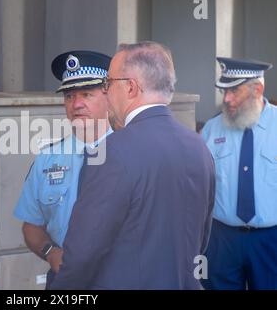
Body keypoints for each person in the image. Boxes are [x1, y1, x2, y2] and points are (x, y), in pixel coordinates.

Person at [50, 41, 215, 290]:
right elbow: (200, 239)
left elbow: (83, 252)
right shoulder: (198, 146)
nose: (105, 91)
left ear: (130, 87)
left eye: (108, 83)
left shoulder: (113, 151)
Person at [14, 50, 112, 289]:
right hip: (63, 281)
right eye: (69, 96)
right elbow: (31, 226)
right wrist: (50, 252)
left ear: (109, 95)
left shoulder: (132, 154)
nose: (76, 104)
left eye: (87, 94)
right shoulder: (47, 158)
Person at [201, 57, 277, 290]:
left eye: (234, 90)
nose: (227, 99)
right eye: (224, 91)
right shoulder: (212, 129)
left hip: (270, 241)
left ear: (258, 89)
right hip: (222, 239)